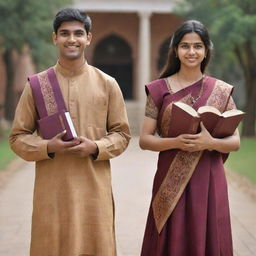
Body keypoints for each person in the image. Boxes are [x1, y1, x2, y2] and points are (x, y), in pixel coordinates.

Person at [9, 8, 131, 256]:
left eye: (78, 33)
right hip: (51, 192)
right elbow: (17, 137)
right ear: (55, 38)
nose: (71, 39)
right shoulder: (38, 85)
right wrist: (47, 147)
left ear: (89, 38)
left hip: (93, 191)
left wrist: (96, 147)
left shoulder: (107, 84)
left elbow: (122, 134)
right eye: (64, 33)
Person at [139, 20, 240, 256]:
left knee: (208, 235)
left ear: (206, 51)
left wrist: (210, 143)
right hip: (169, 178)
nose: (191, 52)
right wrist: (175, 142)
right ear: (176, 50)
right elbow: (144, 139)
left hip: (208, 177)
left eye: (197, 46)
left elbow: (235, 142)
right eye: (185, 46)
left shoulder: (222, 91)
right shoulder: (158, 89)